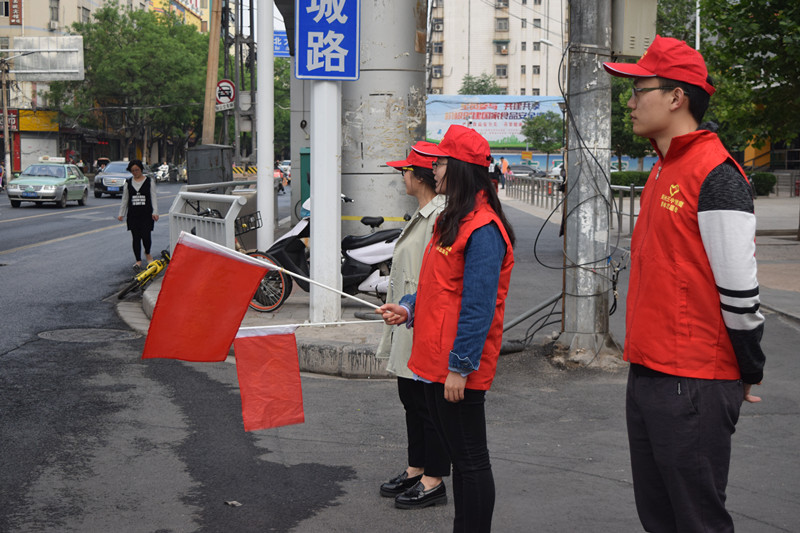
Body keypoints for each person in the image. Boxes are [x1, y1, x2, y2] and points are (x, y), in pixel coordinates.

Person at [603, 35, 765, 533]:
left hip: (692, 378)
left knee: (696, 519)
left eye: (639, 89)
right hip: (650, 368)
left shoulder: (716, 173)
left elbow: (740, 291)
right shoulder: (662, 167)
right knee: (660, 516)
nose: (629, 102)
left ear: (677, 97)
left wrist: (748, 368)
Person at [378, 125, 515, 532]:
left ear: (457, 168)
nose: (432, 169)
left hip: (455, 369)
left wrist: (461, 366)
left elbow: (478, 306)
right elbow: (437, 287)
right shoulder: (452, 219)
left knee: (470, 462)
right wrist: (408, 309)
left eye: (438, 162)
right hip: (432, 361)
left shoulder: (483, 228)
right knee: (460, 454)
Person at [376, 142, 450, 509]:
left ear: (420, 176)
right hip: (407, 317)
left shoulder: (440, 216)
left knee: (427, 403)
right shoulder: (422, 212)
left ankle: (434, 479)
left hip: (423, 321)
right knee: (411, 398)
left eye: (404, 170)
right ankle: (415, 469)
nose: (401, 177)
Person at [117, 159, 159, 271]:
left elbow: (153, 197)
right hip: (133, 215)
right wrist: (121, 214)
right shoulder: (128, 183)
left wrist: (155, 212)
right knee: (135, 238)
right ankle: (138, 260)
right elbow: (125, 200)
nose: (135, 172)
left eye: (137, 170)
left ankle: (148, 253)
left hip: (146, 214)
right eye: (133, 171)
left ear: (141, 169)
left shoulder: (149, 181)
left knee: (146, 236)